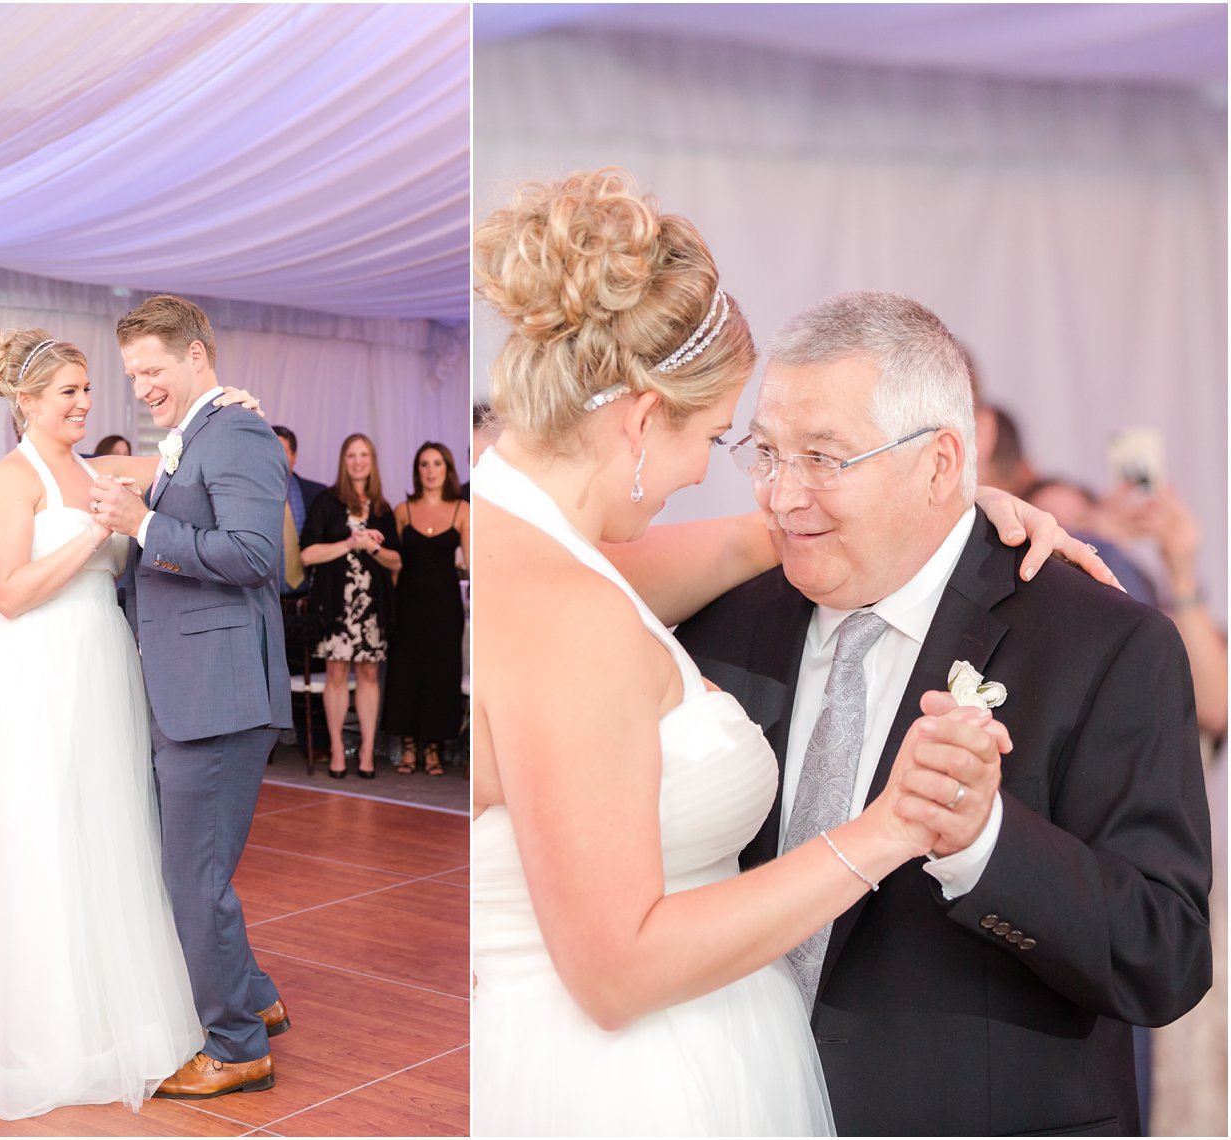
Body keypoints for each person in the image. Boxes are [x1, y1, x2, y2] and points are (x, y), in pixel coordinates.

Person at [469, 171, 1040, 1136]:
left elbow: (738, 542)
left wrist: (936, 501)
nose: (717, 472)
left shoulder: (532, 542)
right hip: (626, 1085)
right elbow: (617, 970)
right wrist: (890, 827)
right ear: (643, 421)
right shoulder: (564, 607)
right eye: (720, 436)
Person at [674, 290, 1212, 1135]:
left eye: (824, 457)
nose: (782, 496)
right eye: (767, 454)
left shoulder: (1103, 644)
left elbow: (1165, 956)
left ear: (938, 463)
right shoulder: (722, 621)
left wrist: (984, 844)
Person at [0, 330, 225, 1119]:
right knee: (41, 844)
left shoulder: (93, 469)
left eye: (84, 388)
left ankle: (108, 1007)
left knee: (101, 834)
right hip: (32, 674)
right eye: (67, 391)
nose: (83, 402)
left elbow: (181, 452)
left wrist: (224, 402)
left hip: (100, 670)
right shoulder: (10, 478)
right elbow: (8, 592)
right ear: (27, 402)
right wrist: (101, 534)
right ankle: (46, 1028)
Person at [88, 294, 293, 1101]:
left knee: (191, 880)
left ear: (196, 355)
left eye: (151, 370)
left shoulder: (236, 430)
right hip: (193, 690)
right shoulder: (199, 433)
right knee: (191, 872)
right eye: (132, 373)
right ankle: (254, 998)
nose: (140, 387)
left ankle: (237, 1045)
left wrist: (142, 527)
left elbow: (252, 555)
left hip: (216, 696)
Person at [299, 433, 402, 778]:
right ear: (344, 462)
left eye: (364, 455)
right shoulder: (326, 503)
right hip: (336, 606)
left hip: (372, 607)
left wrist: (371, 547)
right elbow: (308, 553)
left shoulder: (383, 508)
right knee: (337, 673)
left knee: (370, 674)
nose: (358, 461)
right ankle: (338, 750)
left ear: (372, 461)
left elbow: (396, 562)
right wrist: (350, 542)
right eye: (351, 456)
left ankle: (369, 752)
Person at [383, 442, 468, 776]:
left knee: (440, 674)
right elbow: (394, 566)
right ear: (416, 470)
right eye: (424, 464)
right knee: (406, 673)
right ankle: (407, 747)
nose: (430, 470)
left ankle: (433, 749)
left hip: (445, 607)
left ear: (447, 469)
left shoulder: (463, 510)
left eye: (436, 464)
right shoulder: (402, 509)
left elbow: (473, 564)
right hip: (408, 604)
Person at [271, 425, 326, 605]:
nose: (275, 457)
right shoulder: (247, 496)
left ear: (294, 457)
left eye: (283, 451)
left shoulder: (318, 494)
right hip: (268, 604)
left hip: (310, 603)